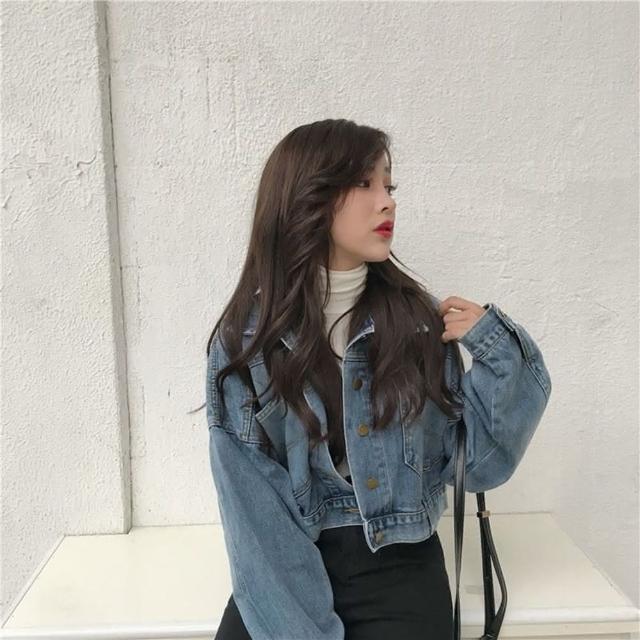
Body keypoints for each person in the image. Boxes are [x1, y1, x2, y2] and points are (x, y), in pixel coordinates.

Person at [203, 119, 552, 640]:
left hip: (402, 568)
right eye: (364, 184)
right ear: (308, 197)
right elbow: (255, 517)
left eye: (389, 185)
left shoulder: (416, 325)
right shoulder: (246, 343)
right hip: (283, 563)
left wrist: (498, 350)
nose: (386, 202)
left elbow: (480, 465)